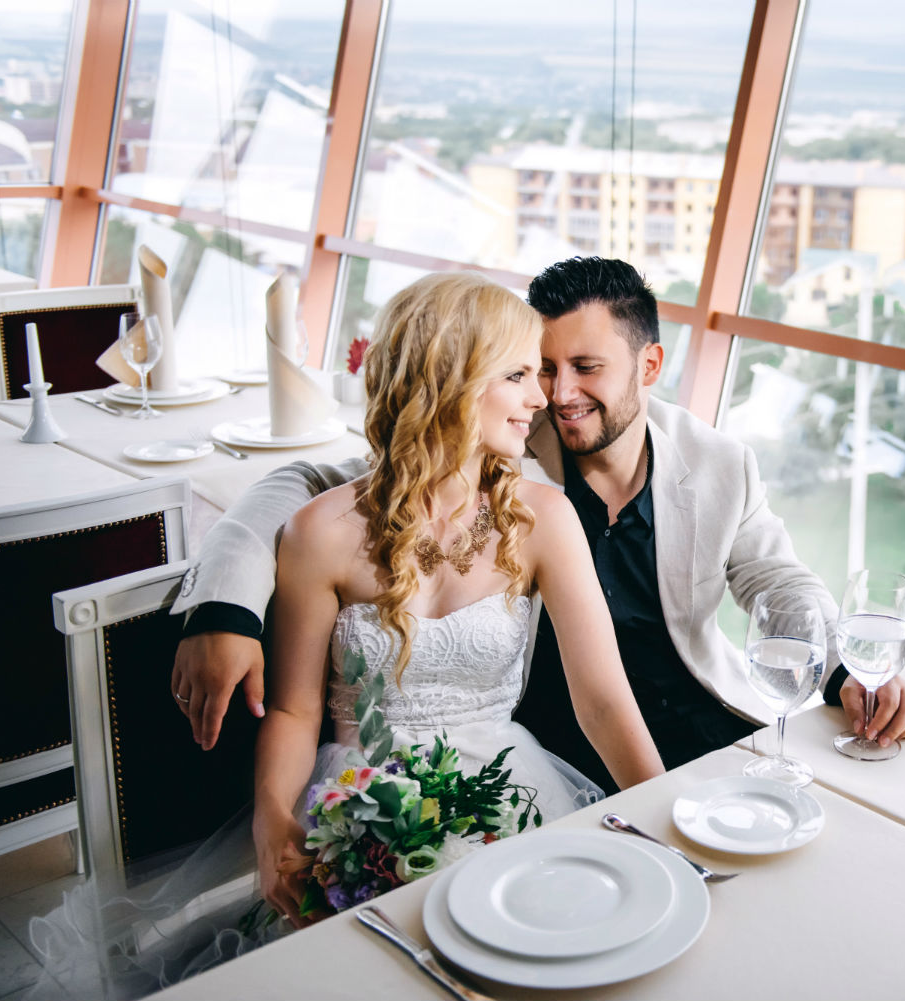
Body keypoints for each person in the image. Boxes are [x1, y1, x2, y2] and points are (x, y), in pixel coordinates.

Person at [170, 257, 905, 791]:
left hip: (698, 722)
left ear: (650, 366)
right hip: (552, 744)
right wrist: (223, 608)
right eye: (541, 366)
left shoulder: (718, 461)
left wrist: (845, 671)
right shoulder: (498, 441)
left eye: (586, 367)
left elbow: (779, 581)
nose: (558, 394)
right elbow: (309, 488)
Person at [251, 271, 663, 925]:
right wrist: (272, 816)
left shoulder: (545, 518)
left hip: (508, 796)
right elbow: (294, 710)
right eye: (519, 374)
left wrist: (662, 819)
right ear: (451, 378)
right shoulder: (320, 534)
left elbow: (603, 701)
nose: (542, 398)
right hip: (360, 810)